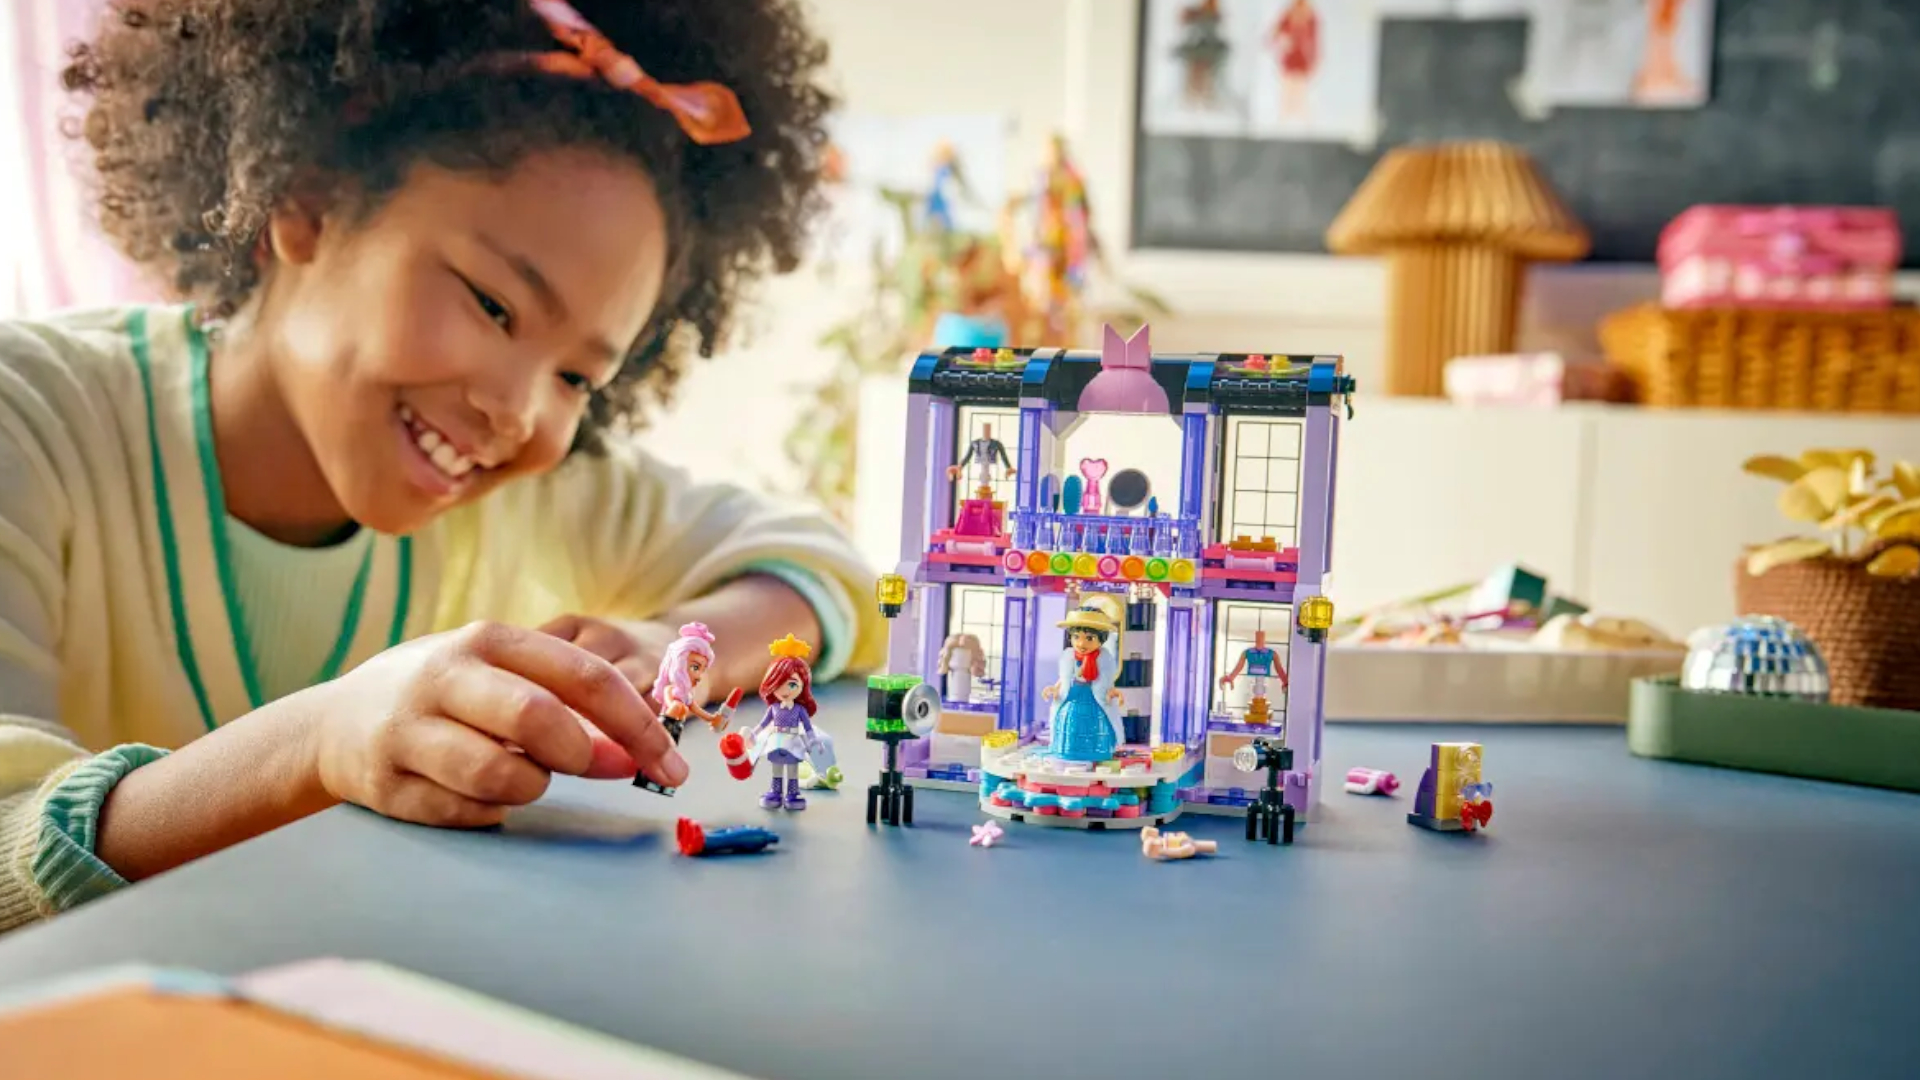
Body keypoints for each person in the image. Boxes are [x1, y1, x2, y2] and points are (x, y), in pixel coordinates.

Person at [0, 0, 883, 932]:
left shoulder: (526, 491)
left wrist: (675, 648)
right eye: (494, 307)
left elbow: (823, 568)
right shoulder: (34, 421)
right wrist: (320, 743)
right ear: (307, 204)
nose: (517, 413)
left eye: (578, 377)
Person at [742, 635, 827, 811]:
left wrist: (813, 741)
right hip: (776, 740)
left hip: (794, 740)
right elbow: (763, 724)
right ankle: (775, 792)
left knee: (793, 769)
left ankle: (793, 793)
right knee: (777, 768)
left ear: (803, 686)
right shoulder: (773, 708)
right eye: (778, 684)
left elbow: (808, 728)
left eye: (792, 685)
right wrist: (752, 734)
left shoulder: (799, 710)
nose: (785, 690)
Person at [1040, 601, 1125, 763]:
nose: (1081, 643)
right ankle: (1066, 750)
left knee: (1097, 726)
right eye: (1076, 637)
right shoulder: (1069, 657)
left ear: (1101, 639)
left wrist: (1114, 693)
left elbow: (1107, 683)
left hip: (1094, 700)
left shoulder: (1104, 660)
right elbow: (1064, 679)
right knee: (1069, 726)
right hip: (1072, 698)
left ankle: (1097, 752)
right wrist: (1055, 688)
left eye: (1089, 638)